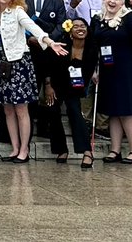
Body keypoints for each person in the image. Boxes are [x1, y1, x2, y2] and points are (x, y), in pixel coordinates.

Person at [0, 0, 68, 163]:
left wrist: (50, 42)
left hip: (17, 62)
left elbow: (33, 28)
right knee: (7, 109)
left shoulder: (17, 11)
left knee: (21, 108)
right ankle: (15, 147)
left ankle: (24, 149)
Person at [90, 0, 132, 164]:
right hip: (107, 69)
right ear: (104, 0)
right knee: (113, 112)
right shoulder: (97, 19)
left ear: (122, 3)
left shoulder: (128, 17)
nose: (112, 1)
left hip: (126, 69)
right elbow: (93, 46)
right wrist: (94, 69)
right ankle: (115, 150)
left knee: (126, 111)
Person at [40, 17, 96, 167]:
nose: (80, 29)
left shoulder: (91, 48)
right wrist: (48, 86)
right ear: (70, 31)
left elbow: (90, 70)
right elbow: (48, 65)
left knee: (75, 112)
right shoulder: (62, 43)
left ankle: (87, 152)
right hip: (56, 83)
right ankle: (61, 149)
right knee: (52, 111)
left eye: (83, 26)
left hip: (76, 86)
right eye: (76, 26)